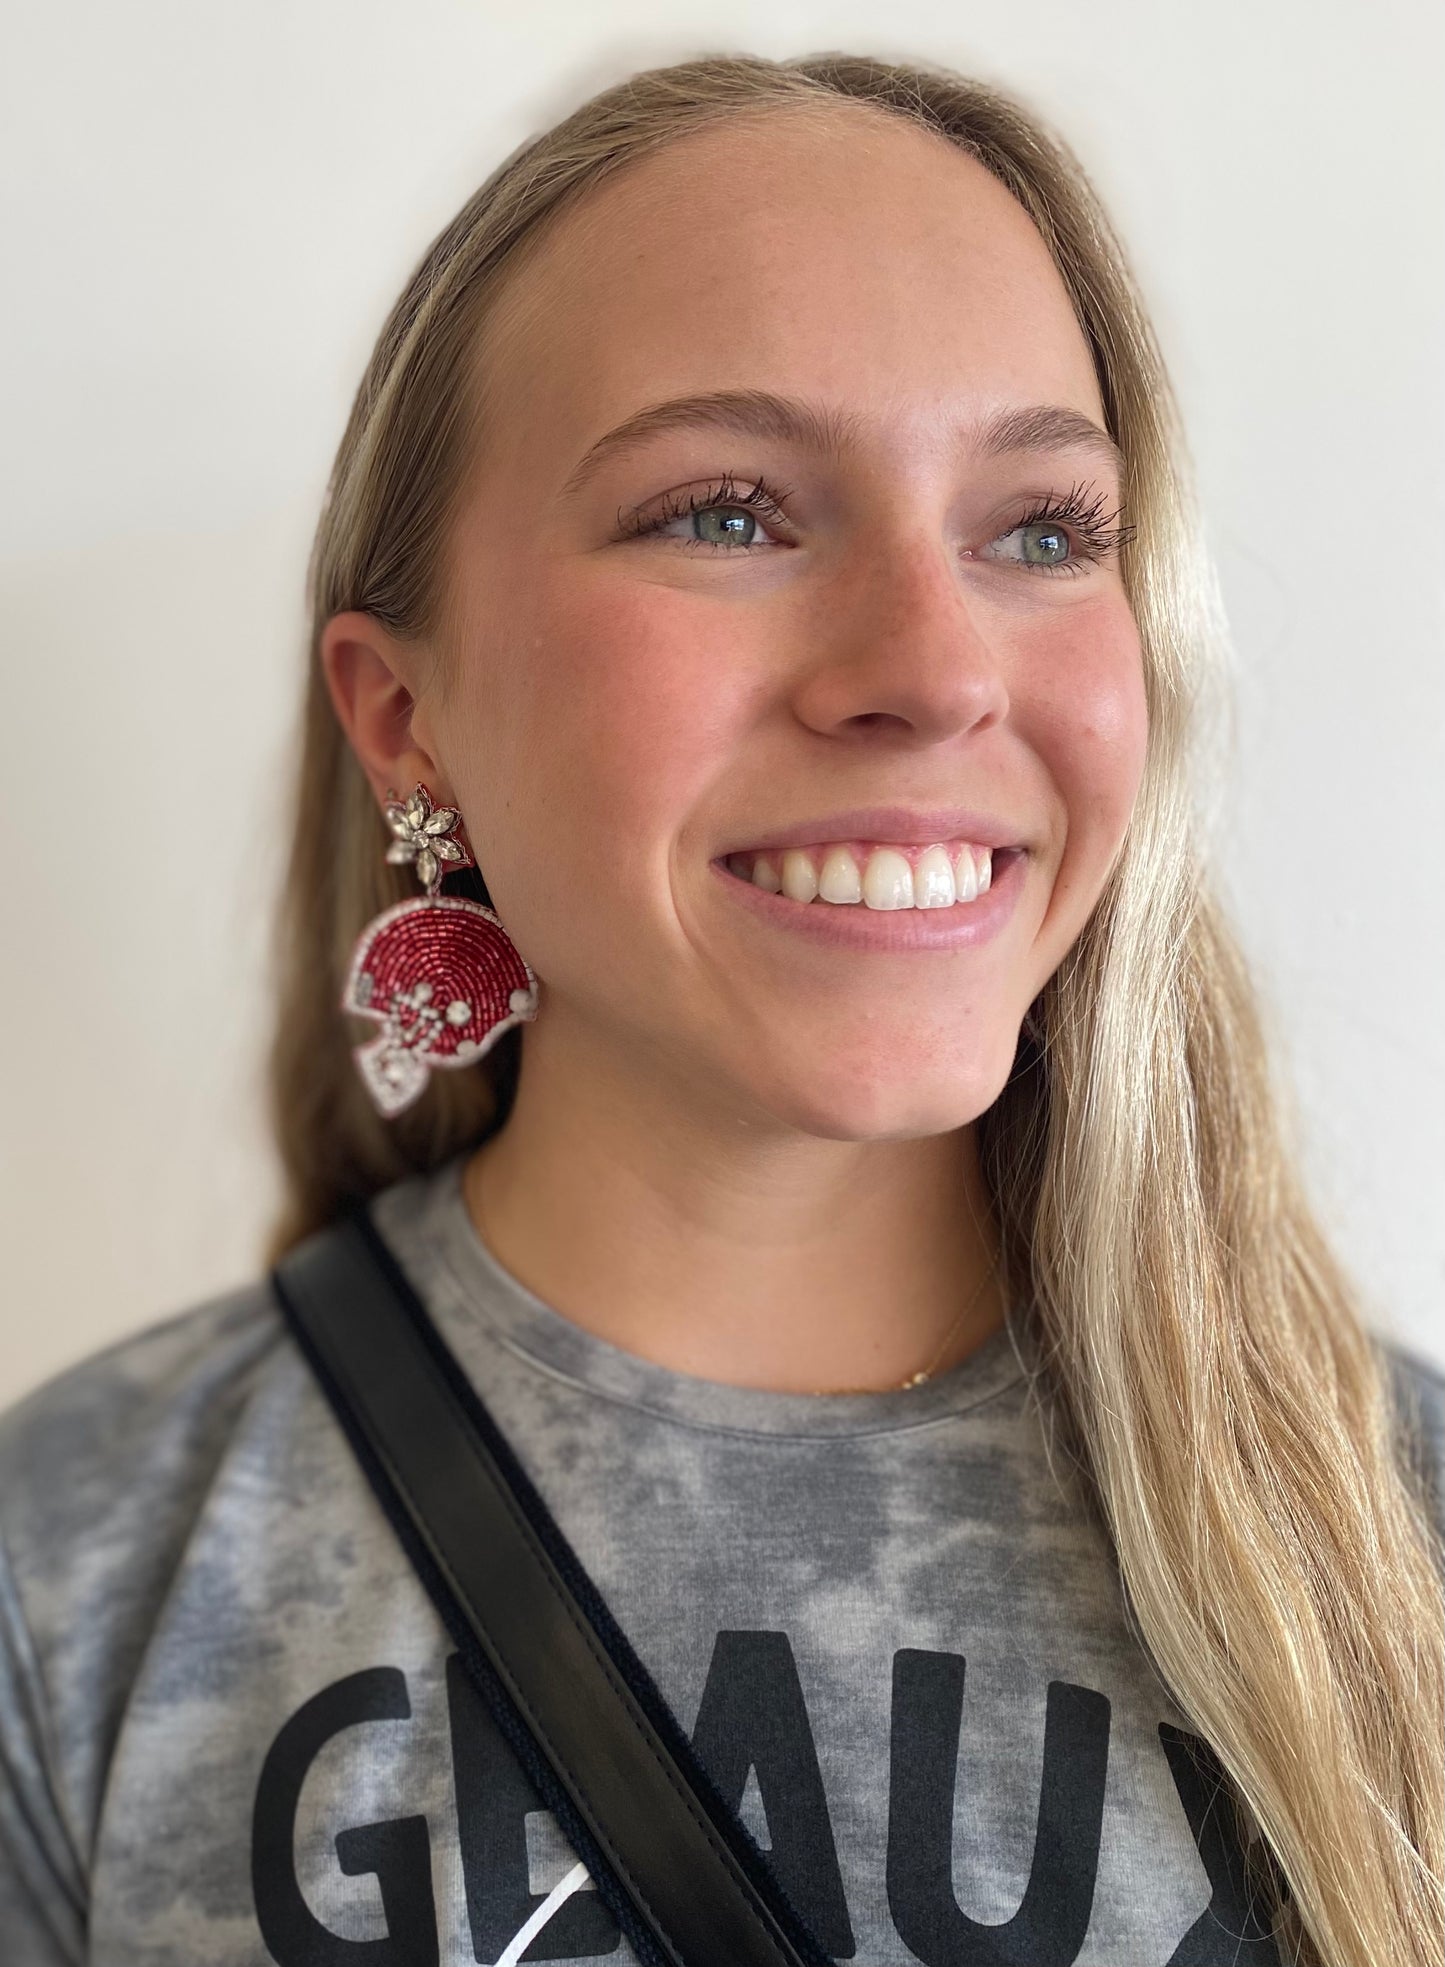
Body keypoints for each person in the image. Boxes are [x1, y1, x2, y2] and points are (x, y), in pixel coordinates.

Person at [1, 48, 1440, 1967]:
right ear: (404, 716)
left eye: (1038, 529)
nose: (930, 674)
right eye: (730, 513)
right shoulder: (64, 1578)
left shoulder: (1396, 1548)